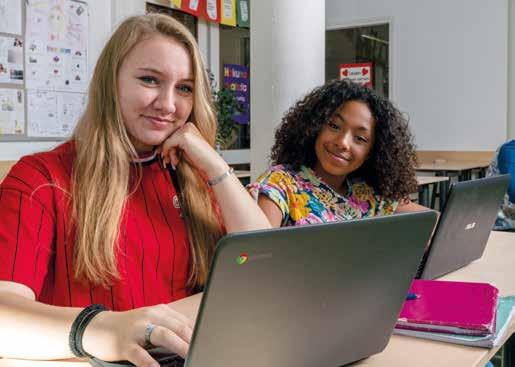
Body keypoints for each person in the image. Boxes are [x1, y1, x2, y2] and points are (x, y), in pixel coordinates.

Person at [0, 14, 270, 367]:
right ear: (111, 83)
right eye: (149, 80)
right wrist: (102, 329)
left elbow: (263, 271)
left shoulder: (193, 177)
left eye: (185, 88)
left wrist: (215, 165)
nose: (168, 104)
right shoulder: (41, 178)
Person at [248, 79, 426, 228]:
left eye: (360, 138)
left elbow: (436, 224)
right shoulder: (281, 183)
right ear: (314, 127)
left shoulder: (366, 193)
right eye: (334, 126)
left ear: (373, 152)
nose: (342, 142)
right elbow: (259, 252)